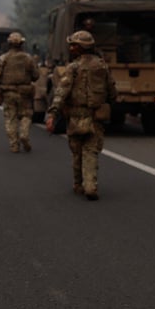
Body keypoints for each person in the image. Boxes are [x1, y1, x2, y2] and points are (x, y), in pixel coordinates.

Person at [45, 30, 118, 201]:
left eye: (74, 45)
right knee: (91, 151)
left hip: (76, 118)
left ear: (80, 48)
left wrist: (52, 114)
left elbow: (61, 92)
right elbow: (112, 90)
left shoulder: (73, 68)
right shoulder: (102, 66)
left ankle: (80, 184)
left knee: (77, 152)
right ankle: (90, 185)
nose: (71, 48)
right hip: (96, 117)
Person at [0, 31, 39, 153]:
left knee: (10, 118)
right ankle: (24, 136)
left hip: (8, 93)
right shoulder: (28, 58)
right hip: (25, 93)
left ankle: (14, 145)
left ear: (9, 44)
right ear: (22, 43)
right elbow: (36, 76)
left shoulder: (3, 58)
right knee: (26, 115)